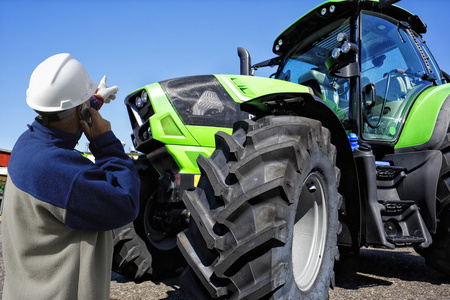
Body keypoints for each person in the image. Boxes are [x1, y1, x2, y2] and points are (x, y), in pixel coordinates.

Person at [1, 53, 140, 299]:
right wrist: (106, 143)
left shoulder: (28, 145)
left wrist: (94, 101)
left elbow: (64, 116)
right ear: (78, 111)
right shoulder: (61, 171)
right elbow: (126, 202)